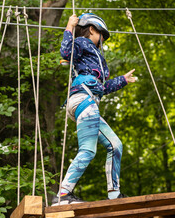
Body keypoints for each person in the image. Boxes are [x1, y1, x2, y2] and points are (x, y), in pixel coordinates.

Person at [52, 13, 136, 206]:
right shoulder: (81, 42)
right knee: (88, 150)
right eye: (102, 35)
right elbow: (65, 53)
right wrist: (69, 27)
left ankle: (114, 194)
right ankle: (63, 195)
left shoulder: (92, 56)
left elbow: (103, 88)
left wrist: (122, 79)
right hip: (83, 99)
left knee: (115, 145)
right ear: (92, 29)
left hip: (89, 101)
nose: (103, 41)